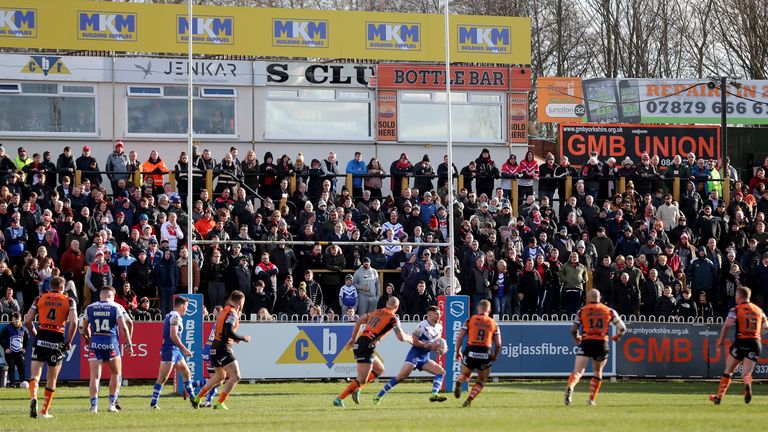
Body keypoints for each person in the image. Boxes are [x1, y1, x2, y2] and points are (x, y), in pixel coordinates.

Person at [333, 297, 413, 408]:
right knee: (362, 379)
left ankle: (357, 389)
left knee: (379, 369)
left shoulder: (376, 312)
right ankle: (339, 399)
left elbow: (360, 319)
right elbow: (400, 337)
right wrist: (409, 338)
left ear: (386, 303)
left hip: (362, 342)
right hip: (366, 345)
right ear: (397, 307)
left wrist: (353, 338)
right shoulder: (393, 318)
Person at [24, 276, 78, 418]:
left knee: (35, 375)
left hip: (41, 335)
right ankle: (44, 411)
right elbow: (74, 322)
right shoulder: (69, 300)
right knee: (51, 378)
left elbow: (27, 320)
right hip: (57, 338)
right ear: (63, 287)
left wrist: (34, 333)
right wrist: (69, 341)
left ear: (50, 286)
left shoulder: (40, 298)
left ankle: (33, 397)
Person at [373, 305, 447, 404]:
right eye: (437, 314)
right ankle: (378, 396)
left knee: (441, 372)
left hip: (425, 358)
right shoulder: (422, 325)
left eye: (440, 314)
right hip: (415, 356)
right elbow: (413, 341)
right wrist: (428, 346)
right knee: (401, 377)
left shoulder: (439, 327)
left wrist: (440, 349)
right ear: (429, 314)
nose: (439, 316)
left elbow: (436, 343)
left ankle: (434, 394)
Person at [564, 289, 626, 406]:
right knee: (597, 371)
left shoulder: (582, 311)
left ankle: (571, 386)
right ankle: (591, 399)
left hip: (587, 341)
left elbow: (573, 329)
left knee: (578, 371)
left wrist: (577, 337)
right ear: (600, 298)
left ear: (588, 298)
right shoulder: (609, 310)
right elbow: (622, 328)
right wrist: (617, 336)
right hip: (601, 343)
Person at [192, 291, 251, 410]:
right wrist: (243, 338)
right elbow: (228, 331)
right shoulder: (232, 313)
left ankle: (197, 398)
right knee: (236, 376)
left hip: (214, 347)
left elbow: (224, 331)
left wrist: (233, 338)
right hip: (223, 348)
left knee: (219, 376)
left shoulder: (225, 309)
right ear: (240, 301)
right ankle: (220, 403)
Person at [710, 287, 768, 405]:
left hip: (741, 341)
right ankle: (747, 384)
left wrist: (721, 340)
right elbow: (766, 326)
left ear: (739, 296)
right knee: (746, 373)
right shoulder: (758, 310)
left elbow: (728, 324)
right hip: (755, 342)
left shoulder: (736, 309)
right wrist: (757, 335)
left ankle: (719, 397)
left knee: (729, 370)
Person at [81, 286, 133, 413]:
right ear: (112, 296)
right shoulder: (116, 307)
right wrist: (129, 343)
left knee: (94, 377)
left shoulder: (90, 307)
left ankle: (94, 406)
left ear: (100, 295)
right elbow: (124, 327)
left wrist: (87, 337)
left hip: (95, 344)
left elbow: (82, 327)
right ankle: (111, 404)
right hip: (111, 343)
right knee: (115, 374)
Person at [149, 296, 196, 409]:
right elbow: (173, 335)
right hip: (170, 349)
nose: (186, 309)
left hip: (174, 350)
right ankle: (153, 404)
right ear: (181, 306)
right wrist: (184, 349)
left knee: (186, 373)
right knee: (163, 378)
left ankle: (194, 400)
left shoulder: (172, 315)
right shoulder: (175, 316)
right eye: (186, 307)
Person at [453, 299, 501, 407]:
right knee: (482, 379)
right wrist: (494, 356)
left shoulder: (470, 320)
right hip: (485, 351)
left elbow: (460, 337)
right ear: (489, 310)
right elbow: (498, 344)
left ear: (478, 308)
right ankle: (469, 399)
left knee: (465, 374)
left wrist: (458, 352)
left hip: (471, 350)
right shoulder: (494, 323)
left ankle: (460, 381)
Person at [0, 311, 29, 387]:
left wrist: (24, 348)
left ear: (20, 319)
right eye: (15, 319)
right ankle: (12, 383)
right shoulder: (7, 328)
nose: (16, 321)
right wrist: (6, 348)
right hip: (10, 353)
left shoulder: (23, 329)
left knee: (21, 367)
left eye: (18, 319)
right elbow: (1, 339)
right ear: (12, 319)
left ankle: (23, 382)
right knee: (11, 367)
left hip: (19, 353)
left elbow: (27, 339)